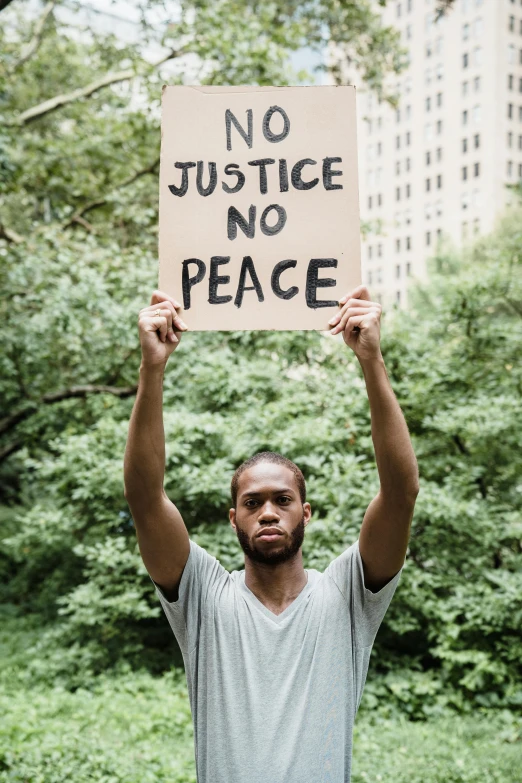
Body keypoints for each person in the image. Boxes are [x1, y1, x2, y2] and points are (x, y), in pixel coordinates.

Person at [123, 285, 419, 783]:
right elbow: (145, 498)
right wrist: (152, 370)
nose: (267, 512)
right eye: (252, 502)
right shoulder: (204, 595)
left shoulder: (347, 596)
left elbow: (401, 492)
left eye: (282, 500)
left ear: (306, 514)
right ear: (232, 518)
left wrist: (371, 360)